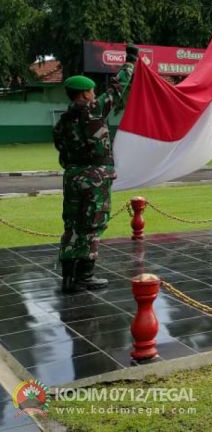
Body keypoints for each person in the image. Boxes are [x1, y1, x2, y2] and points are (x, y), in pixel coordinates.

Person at [54, 44, 138, 292]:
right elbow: (118, 87)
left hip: (72, 177)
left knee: (72, 226)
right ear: (84, 95)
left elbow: (62, 154)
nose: (94, 94)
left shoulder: (62, 122)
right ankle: (85, 276)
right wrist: (130, 61)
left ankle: (68, 277)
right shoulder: (94, 111)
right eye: (91, 91)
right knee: (92, 225)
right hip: (95, 179)